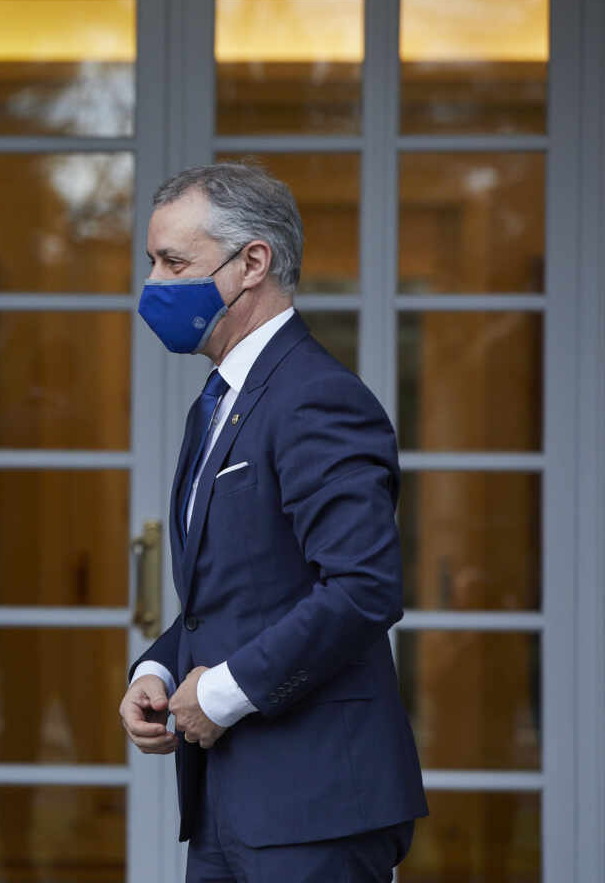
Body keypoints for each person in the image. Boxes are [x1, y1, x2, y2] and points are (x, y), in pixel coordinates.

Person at [118, 163, 427, 882]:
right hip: (231, 797)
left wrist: (220, 694)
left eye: (174, 262)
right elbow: (244, 589)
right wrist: (159, 668)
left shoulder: (317, 397)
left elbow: (362, 588)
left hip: (315, 805)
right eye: (152, 263)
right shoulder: (220, 398)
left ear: (252, 262)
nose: (155, 285)